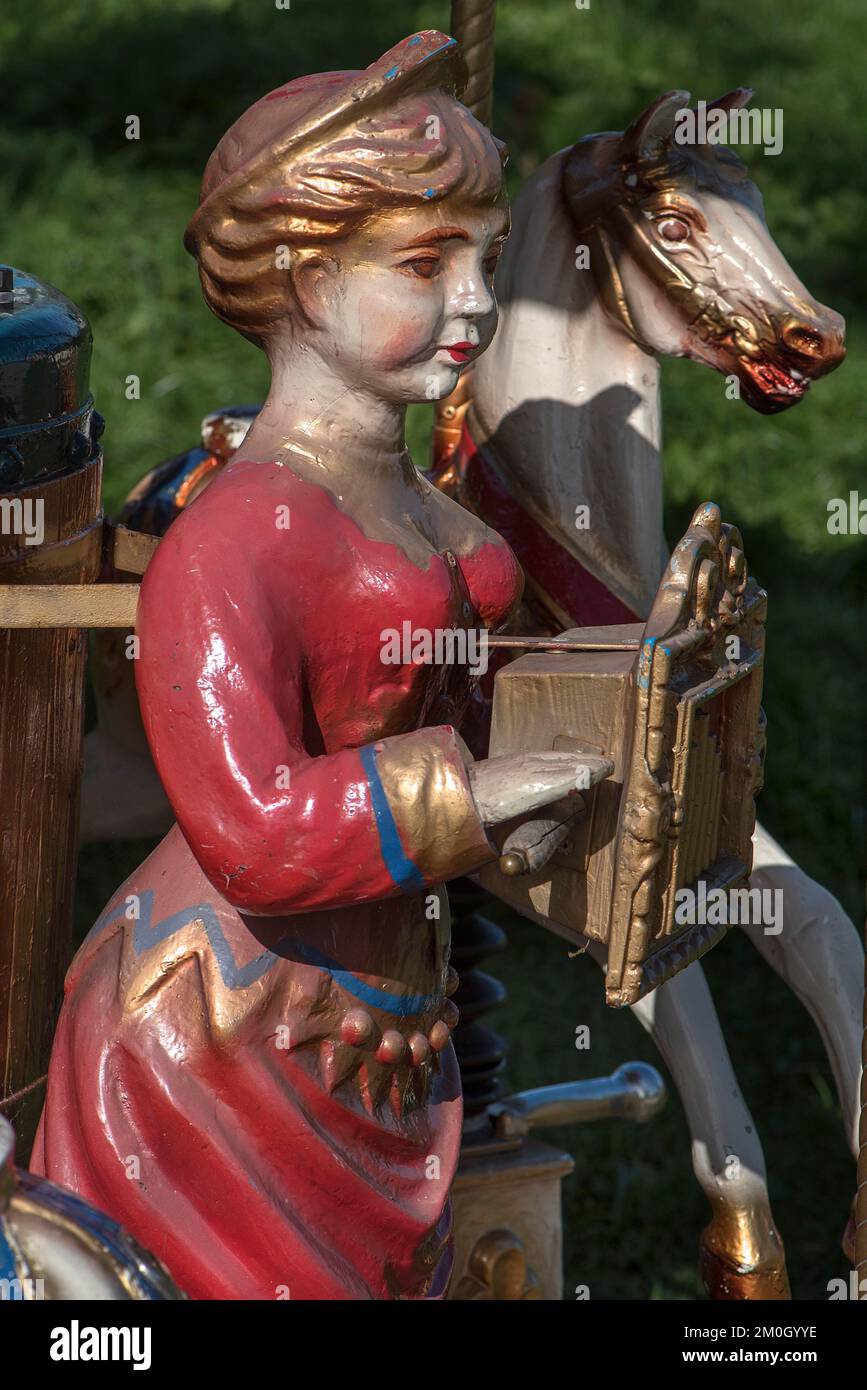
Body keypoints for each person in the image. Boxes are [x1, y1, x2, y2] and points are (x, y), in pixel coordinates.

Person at [32, 31, 593, 1300]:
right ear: (296, 272)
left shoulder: (415, 499)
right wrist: (480, 793)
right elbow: (254, 825)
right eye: (423, 263)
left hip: (372, 1017)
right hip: (212, 1047)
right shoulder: (234, 541)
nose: (476, 302)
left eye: (486, 259)